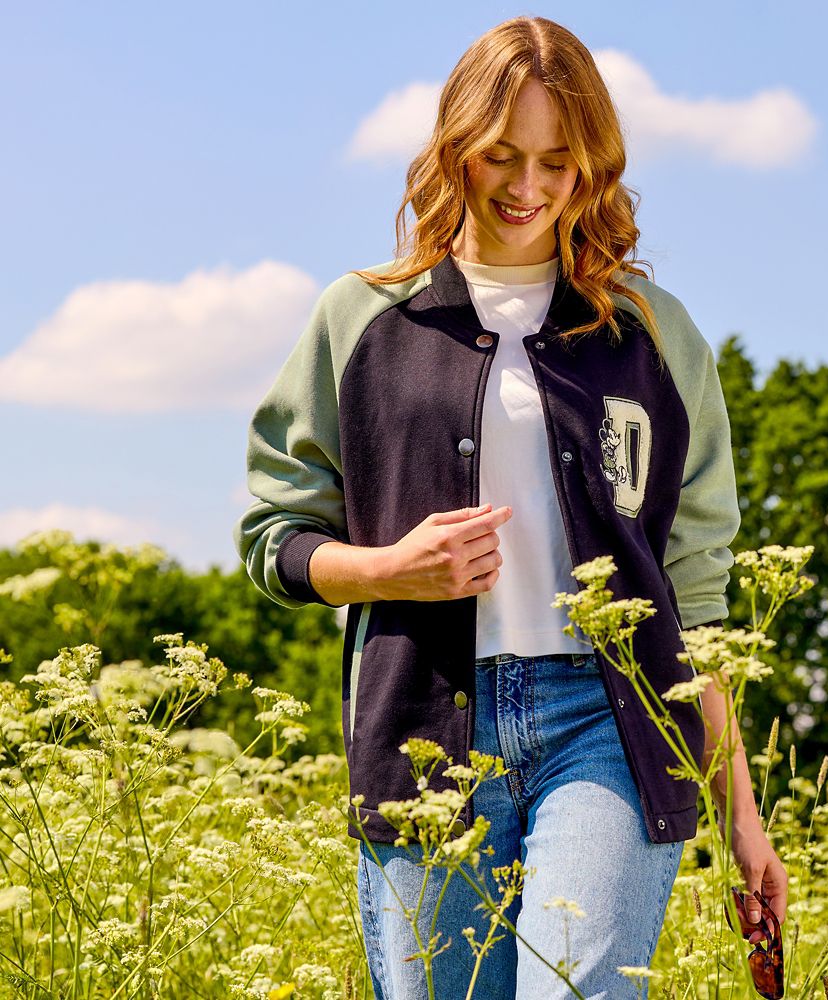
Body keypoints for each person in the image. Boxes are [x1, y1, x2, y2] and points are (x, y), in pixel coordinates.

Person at [234, 14, 787, 1000]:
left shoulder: (655, 336)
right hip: (423, 729)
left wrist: (743, 819)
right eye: (501, 154)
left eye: (557, 161)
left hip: (609, 725)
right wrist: (388, 570)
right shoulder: (360, 319)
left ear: (592, 167)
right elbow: (274, 537)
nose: (528, 185)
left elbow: (695, 599)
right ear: (456, 147)